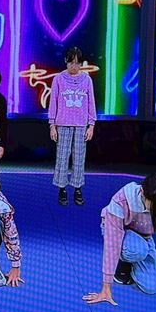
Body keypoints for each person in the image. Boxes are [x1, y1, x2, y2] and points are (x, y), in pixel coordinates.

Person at [83, 173, 156, 306]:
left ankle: (134, 259)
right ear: (143, 193)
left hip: (144, 237)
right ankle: (122, 263)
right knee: (135, 250)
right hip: (119, 233)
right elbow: (112, 244)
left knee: (152, 287)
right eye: (155, 204)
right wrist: (106, 287)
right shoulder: (122, 199)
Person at [48, 46, 96, 206]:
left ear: (81, 63)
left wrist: (91, 125)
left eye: (77, 63)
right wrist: (52, 125)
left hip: (81, 124)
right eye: (71, 63)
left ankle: (77, 188)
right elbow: (53, 102)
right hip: (62, 124)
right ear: (65, 62)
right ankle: (62, 188)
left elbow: (91, 103)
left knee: (79, 157)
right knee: (62, 157)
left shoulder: (87, 80)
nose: (74, 66)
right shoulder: (58, 79)